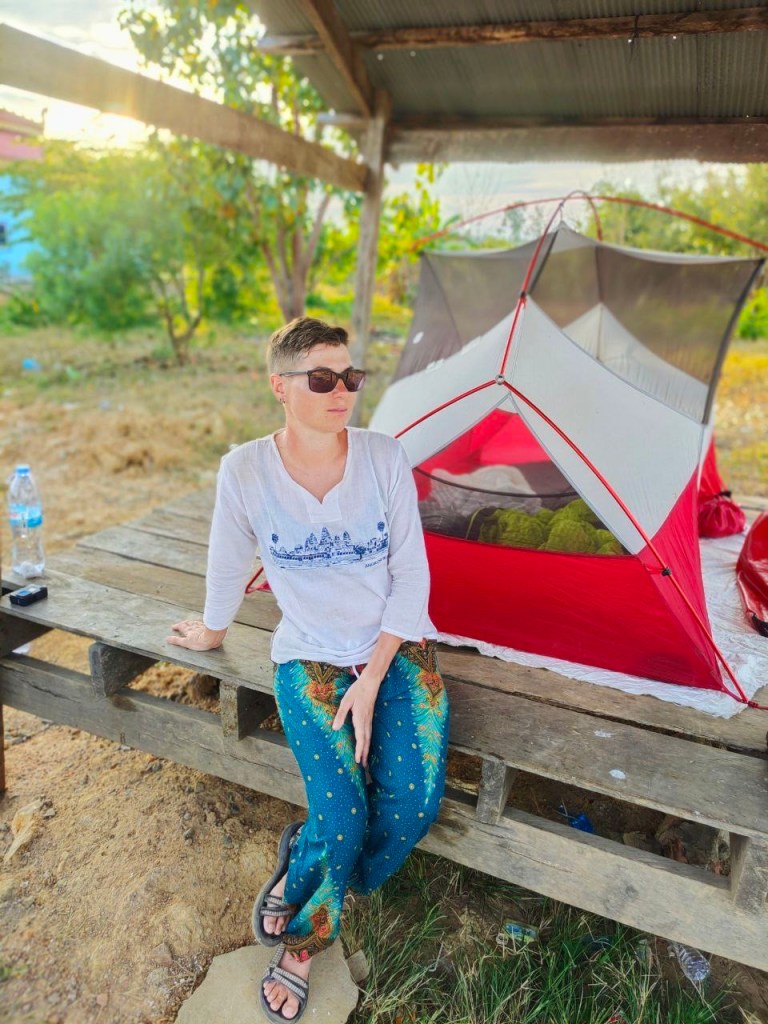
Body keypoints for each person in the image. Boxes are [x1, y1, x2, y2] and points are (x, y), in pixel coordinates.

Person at [166, 317, 450, 1023]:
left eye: (350, 377)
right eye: (322, 379)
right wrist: (212, 629)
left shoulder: (384, 457)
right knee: (345, 812)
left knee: (413, 805)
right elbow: (228, 560)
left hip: (395, 648)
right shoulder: (246, 470)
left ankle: (310, 860)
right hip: (309, 657)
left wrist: (372, 680)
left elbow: (413, 574)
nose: (341, 391)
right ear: (280, 387)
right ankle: (303, 944)